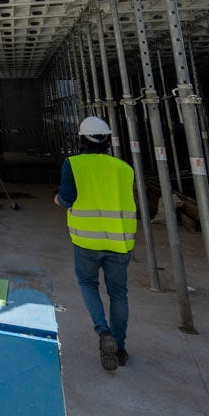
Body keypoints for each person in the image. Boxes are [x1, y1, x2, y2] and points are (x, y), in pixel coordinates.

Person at [54, 116, 137, 372]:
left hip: (87, 240)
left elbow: (67, 199)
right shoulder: (125, 168)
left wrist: (57, 200)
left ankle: (103, 332)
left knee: (88, 284)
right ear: (108, 141)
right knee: (119, 294)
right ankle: (119, 347)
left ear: (80, 140)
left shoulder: (74, 164)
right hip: (119, 240)